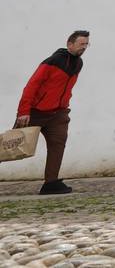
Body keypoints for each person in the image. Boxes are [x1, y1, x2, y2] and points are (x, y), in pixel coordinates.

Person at [14, 30, 89, 195]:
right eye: (81, 44)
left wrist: (64, 107)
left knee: (58, 145)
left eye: (86, 44)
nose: (84, 47)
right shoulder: (52, 61)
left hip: (58, 114)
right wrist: (24, 111)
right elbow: (32, 85)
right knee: (12, 145)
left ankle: (51, 183)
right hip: (34, 113)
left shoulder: (78, 63)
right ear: (69, 44)